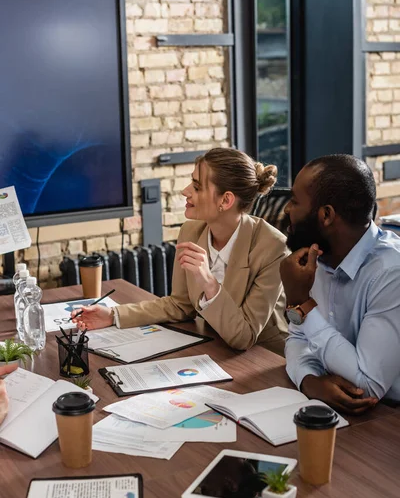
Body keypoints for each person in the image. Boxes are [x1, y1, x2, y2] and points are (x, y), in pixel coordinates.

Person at [72, 147, 289, 354]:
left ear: (226, 200)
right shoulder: (191, 231)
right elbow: (180, 305)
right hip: (215, 347)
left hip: (264, 360)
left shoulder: (272, 247)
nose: (186, 191)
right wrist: (112, 315)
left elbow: (244, 337)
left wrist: (209, 283)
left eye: (197, 186)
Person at [280, 154, 400, 413]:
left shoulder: (392, 272)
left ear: (326, 215)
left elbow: (367, 386)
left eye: (294, 201)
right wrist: (309, 381)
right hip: (343, 414)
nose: (287, 210)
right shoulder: (318, 257)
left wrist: (302, 304)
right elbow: (297, 339)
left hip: (388, 419)